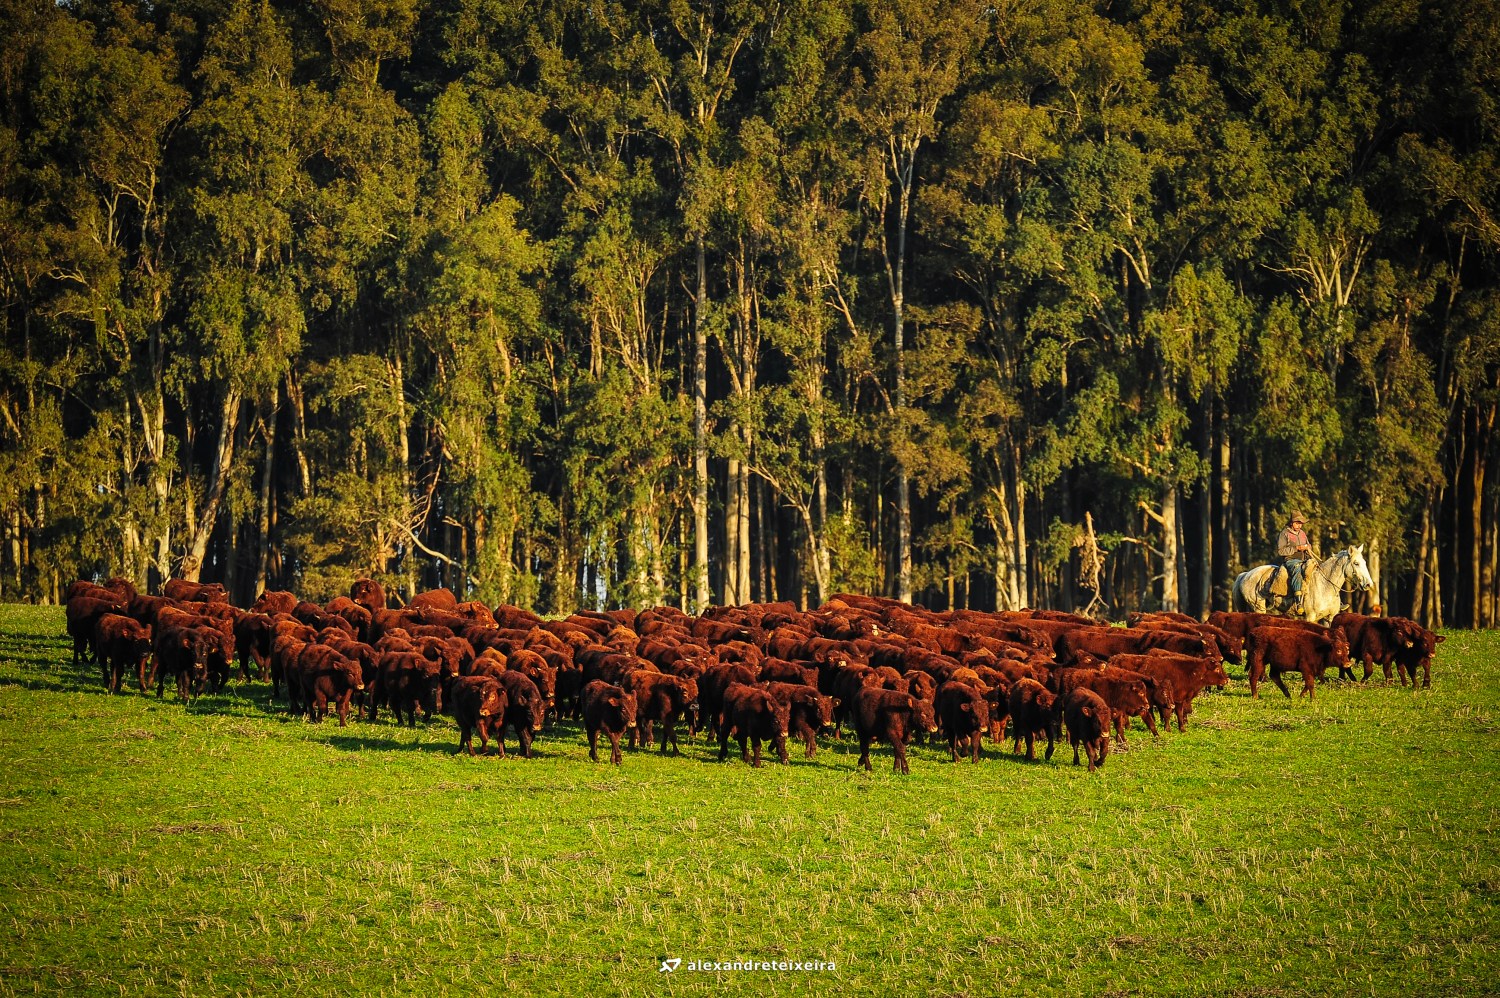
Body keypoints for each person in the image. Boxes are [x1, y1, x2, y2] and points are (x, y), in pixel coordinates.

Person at [1275, 511, 1313, 606]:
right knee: (1297, 569)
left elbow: (1308, 544)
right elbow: (1280, 551)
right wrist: (1297, 548)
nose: (1299, 526)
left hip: (1305, 559)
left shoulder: (1302, 533)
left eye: (1300, 524)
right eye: (1297, 523)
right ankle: (1298, 601)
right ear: (1291, 523)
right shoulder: (1284, 533)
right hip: (1291, 560)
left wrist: (1308, 546)